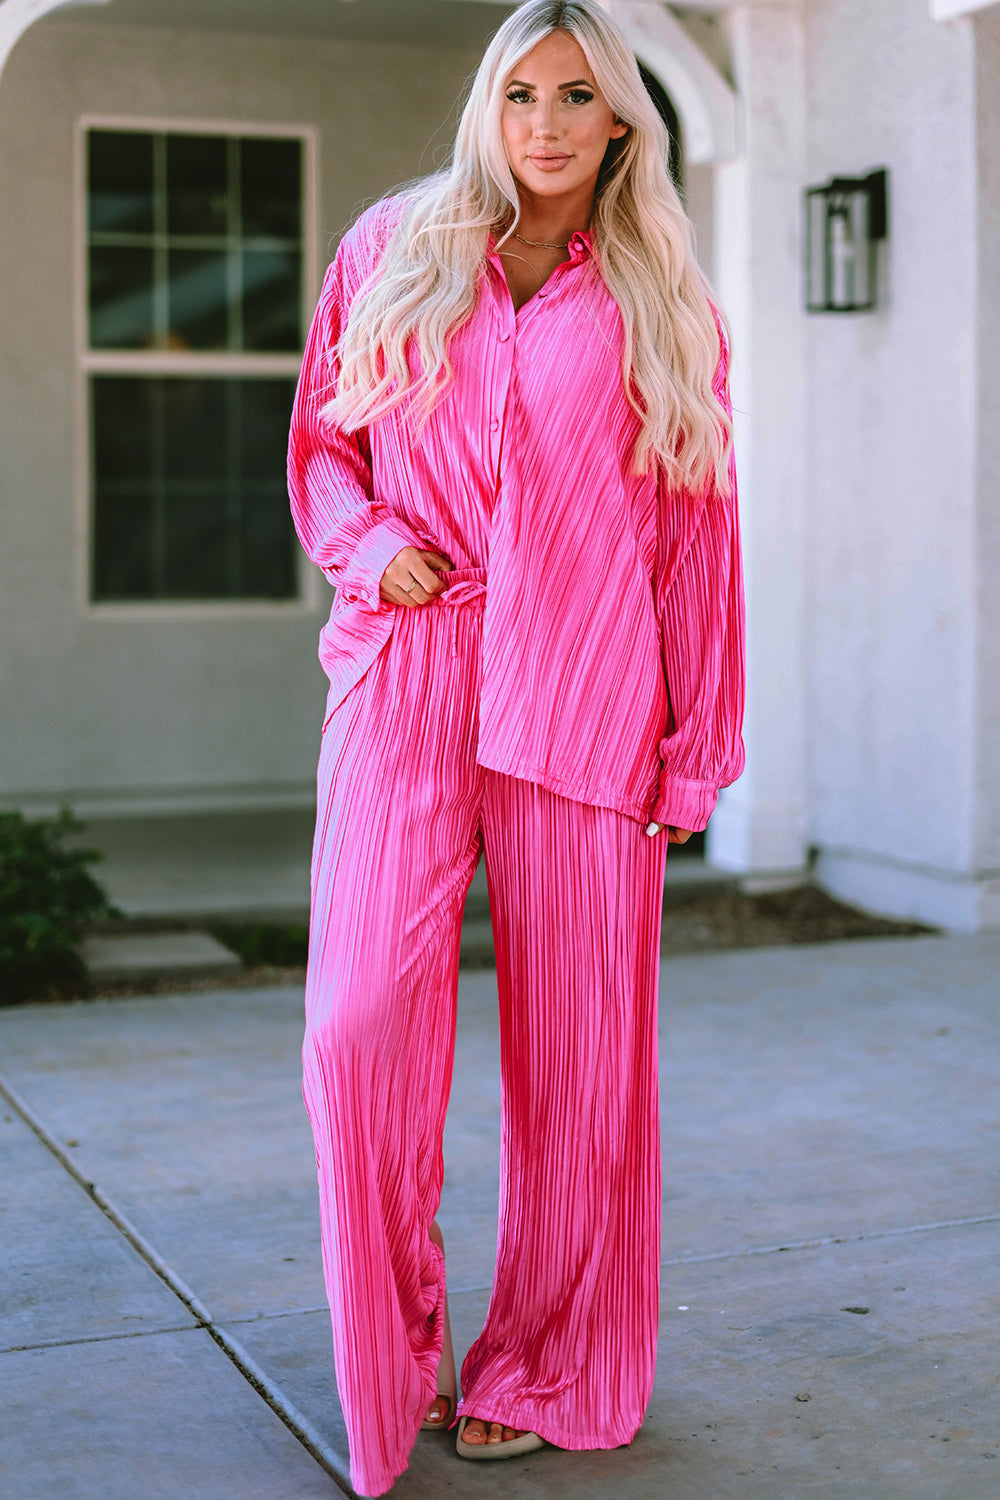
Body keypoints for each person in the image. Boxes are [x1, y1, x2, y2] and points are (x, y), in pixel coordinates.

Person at [286, 1, 744, 1493]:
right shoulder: (393, 249)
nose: (543, 121)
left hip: (591, 704)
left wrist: (694, 758)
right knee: (357, 1028)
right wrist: (367, 549)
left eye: (577, 96)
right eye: (519, 92)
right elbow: (321, 449)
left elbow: (696, 542)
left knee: (584, 1078)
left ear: (621, 122)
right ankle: (394, 1355)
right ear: (489, 106)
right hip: (411, 676)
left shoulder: (662, 301)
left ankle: (546, 1363)